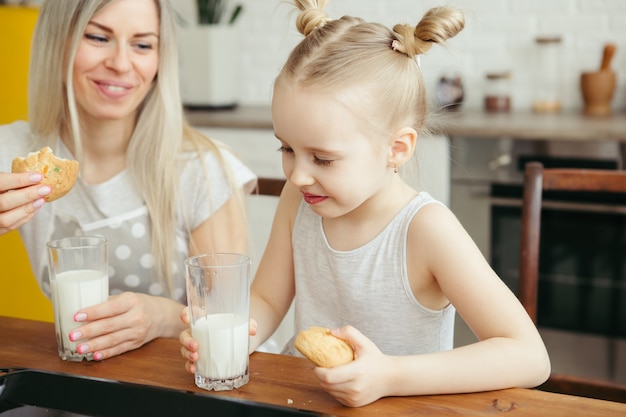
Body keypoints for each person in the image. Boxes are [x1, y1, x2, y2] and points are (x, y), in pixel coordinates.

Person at [180, 0, 550, 407]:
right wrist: (234, 335)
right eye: (286, 148)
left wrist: (389, 375)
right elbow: (267, 299)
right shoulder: (298, 200)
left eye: (322, 158)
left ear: (396, 149)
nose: (298, 175)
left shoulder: (426, 229)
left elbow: (528, 356)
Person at [0, 0, 255, 361]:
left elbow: (231, 320)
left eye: (142, 44)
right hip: (85, 382)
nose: (121, 63)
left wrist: (161, 318)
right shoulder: (16, 156)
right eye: (97, 37)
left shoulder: (202, 169)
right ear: (56, 43)